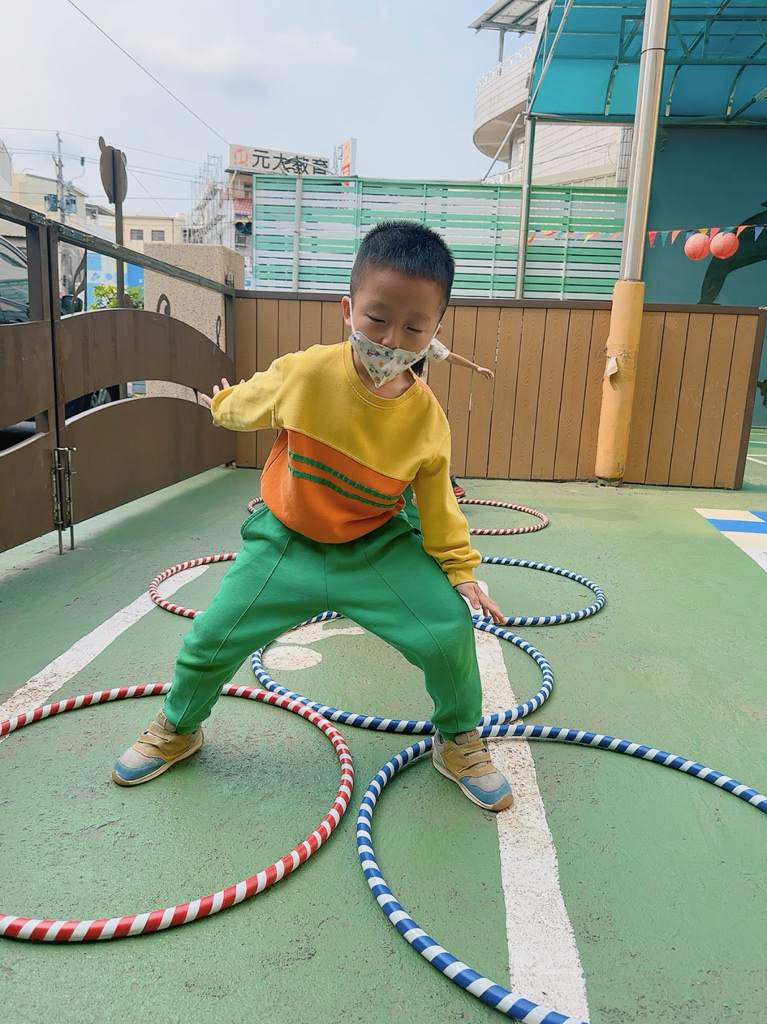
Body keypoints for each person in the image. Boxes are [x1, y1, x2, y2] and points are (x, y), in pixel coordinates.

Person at [112, 221, 513, 813]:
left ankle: (458, 739)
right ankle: (178, 726)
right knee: (212, 636)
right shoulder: (305, 372)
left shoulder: (427, 419)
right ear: (348, 310)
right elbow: (246, 403)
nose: (391, 340)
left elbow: (438, 504)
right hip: (286, 542)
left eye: (413, 327)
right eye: (377, 319)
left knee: (449, 632)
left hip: (376, 548)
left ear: (435, 332)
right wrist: (224, 403)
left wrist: (461, 572)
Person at [411, 340, 495, 500]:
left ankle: (448, 481)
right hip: (394, 398)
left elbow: (449, 356)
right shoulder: (388, 341)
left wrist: (476, 367)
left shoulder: (425, 340)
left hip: (418, 398)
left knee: (434, 439)